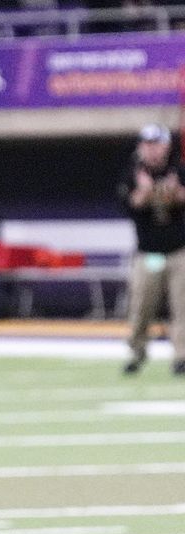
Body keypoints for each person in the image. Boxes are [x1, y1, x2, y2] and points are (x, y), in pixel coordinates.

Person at [117, 122, 185, 375]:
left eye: (157, 144)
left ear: (166, 146)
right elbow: (128, 205)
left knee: (182, 306)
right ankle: (136, 351)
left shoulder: (178, 170)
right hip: (148, 252)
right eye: (148, 145)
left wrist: (174, 192)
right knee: (142, 306)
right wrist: (146, 191)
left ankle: (182, 356)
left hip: (179, 251)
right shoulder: (132, 173)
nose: (152, 150)